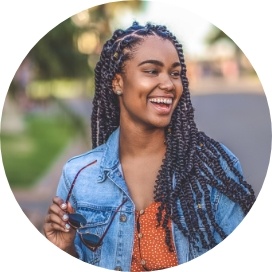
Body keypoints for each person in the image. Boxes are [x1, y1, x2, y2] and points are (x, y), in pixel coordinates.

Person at [43, 21, 256, 271]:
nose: (168, 84)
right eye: (152, 71)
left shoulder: (212, 168)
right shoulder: (79, 176)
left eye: (175, 73)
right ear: (118, 83)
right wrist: (63, 251)